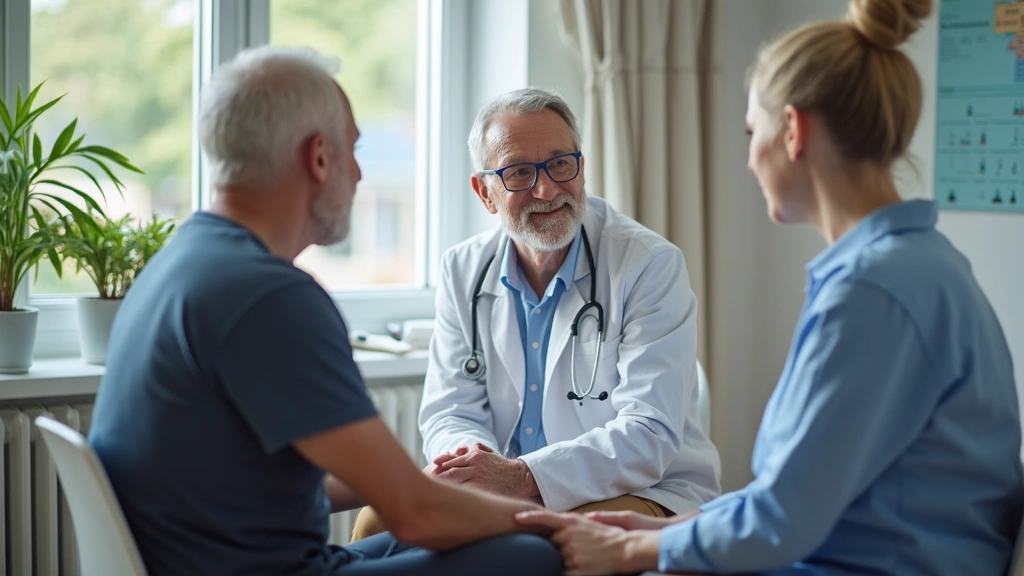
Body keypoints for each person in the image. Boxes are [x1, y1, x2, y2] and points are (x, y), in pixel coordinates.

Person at [517, 0, 1024, 574]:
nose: (751, 158)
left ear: (793, 130)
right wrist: (670, 527)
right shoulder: (918, 263)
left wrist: (632, 548)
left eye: (751, 130)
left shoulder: (872, 292)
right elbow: (800, 494)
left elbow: (782, 520)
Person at [87, 46, 562, 576]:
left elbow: (272, 474)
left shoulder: (183, 261)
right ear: (318, 157)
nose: (358, 173)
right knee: (538, 554)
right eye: (352, 149)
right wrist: (570, 527)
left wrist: (411, 481)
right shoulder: (269, 297)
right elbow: (418, 516)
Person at [351, 88, 722, 541]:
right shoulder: (462, 270)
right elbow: (450, 411)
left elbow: (648, 436)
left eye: (560, 163)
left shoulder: (647, 263)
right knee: (374, 523)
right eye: (520, 172)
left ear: (581, 169)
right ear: (485, 193)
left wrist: (520, 476)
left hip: (644, 488)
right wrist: (476, 470)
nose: (547, 189)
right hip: (515, 488)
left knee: (530, 550)